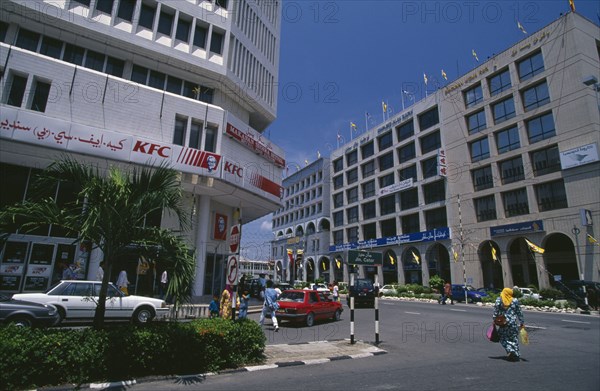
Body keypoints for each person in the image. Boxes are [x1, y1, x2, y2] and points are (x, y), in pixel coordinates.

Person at [493, 287, 525, 362]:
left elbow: (496, 311)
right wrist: (522, 322)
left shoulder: (499, 300)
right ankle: (516, 354)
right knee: (514, 338)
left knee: (502, 337)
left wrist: (494, 319)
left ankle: (510, 350)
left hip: (503, 323)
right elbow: (519, 313)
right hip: (513, 323)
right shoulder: (515, 301)